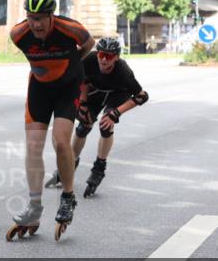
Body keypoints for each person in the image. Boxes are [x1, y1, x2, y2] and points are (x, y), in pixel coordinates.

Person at [8, 0, 94, 240]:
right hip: (40, 88)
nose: (35, 24)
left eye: (40, 18)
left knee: (60, 141)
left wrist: (72, 63)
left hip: (68, 88)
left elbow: (89, 44)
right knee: (34, 146)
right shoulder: (18, 34)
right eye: (31, 18)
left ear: (51, 17)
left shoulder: (70, 28)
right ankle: (34, 207)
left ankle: (68, 197)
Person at [46, 37, 149, 197]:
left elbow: (142, 96)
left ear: (116, 57)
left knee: (105, 125)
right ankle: (71, 163)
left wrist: (116, 113)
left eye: (109, 56)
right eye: (101, 55)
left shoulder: (123, 71)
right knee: (83, 127)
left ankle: (99, 167)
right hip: (96, 92)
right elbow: (83, 81)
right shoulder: (90, 60)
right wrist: (84, 103)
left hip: (118, 94)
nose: (104, 60)